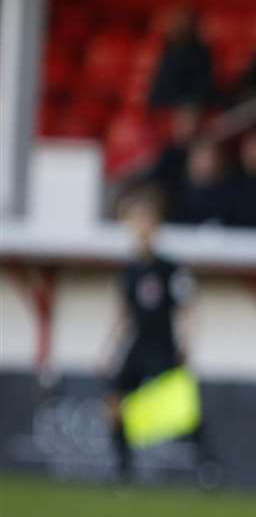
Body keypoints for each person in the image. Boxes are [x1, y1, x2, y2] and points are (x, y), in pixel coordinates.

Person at [100, 187, 200, 481]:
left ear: (156, 226)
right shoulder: (129, 270)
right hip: (138, 344)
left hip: (163, 344)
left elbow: (188, 307)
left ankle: (205, 462)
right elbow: (123, 314)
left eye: (146, 220)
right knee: (114, 401)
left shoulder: (169, 268)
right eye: (136, 221)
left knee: (182, 411)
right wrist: (109, 349)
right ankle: (124, 467)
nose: (141, 227)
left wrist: (188, 341)